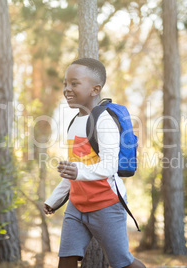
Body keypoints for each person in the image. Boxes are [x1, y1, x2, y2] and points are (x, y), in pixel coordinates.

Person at [43, 58, 146, 268]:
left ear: (95, 89)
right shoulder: (73, 123)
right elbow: (73, 172)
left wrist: (77, 170)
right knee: (66, 261)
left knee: (122, 263)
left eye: (74, 83)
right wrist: (54, 200)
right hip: (77, 205)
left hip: (106, 204)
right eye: (65, 83)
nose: (66, 89)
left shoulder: (104, 120)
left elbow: (109, 166)